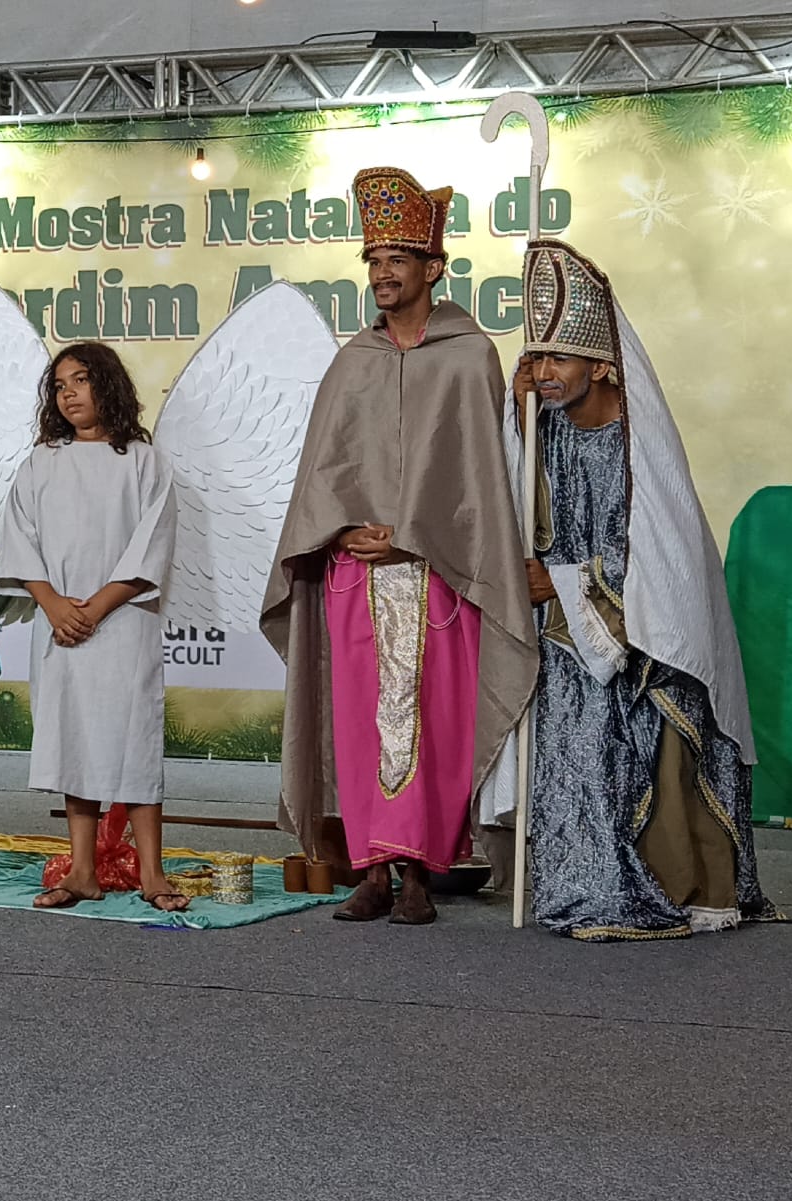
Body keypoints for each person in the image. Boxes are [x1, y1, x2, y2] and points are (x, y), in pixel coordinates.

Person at [260, 166, 537, 925]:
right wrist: (341, 530)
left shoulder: (469, 355)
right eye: (374, 261)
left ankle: (422, 870)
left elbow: (482, 481)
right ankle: (374, 869)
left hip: (438, 574)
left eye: (397, 261)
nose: (382, 274)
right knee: (361, 722)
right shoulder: (354, 360)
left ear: (433, 268)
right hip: (356, 576)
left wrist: (420, 535)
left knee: (434, 723)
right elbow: (323, 476)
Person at [508, 238, 784, 939]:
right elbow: (524, 509)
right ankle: (582, 891)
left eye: (558, 359)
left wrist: (562, 582)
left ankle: (665, 889)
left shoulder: (640, 445)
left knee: (639, 754)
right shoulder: (546, 430)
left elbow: (662, 565)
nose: (543, 373)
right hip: (567, 635)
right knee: (575, 760)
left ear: (602, 365)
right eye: (536, 358)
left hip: (639, 639)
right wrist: (518, 415)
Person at [0, 343, 187, 912]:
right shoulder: (41, 463)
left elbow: (151, 544)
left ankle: (152, 873)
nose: (69, 393)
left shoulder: (144, 462)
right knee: (75, 739)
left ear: (109, 385)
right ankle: (82, 871)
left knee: (133, 742)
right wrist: (52, 604)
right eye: (59, 385)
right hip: (60, 625)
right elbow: (20, 538)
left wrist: (96, 607)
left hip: (124, 620)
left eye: (81, 380)